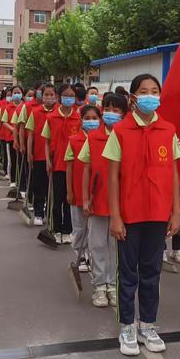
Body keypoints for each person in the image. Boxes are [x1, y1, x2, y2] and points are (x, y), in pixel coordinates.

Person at [105, 74, 180, 356]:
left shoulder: (168, 130)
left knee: (152, 273)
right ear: (133, 98)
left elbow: (173, 174)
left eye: (155, 91)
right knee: (128, 274)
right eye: (144, 91)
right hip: (129, 216)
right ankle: (127, 326)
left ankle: (147, 323)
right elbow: (113, 178)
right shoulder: (121, 131)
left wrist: (175, 213)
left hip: (158, 216)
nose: (151, 96)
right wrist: (115, 216)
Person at [79, 93, 128, 308]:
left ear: (125, 114)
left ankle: (113, 284)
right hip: (98, 199)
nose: (112, 113)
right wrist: (85, 199)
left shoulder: (128, 136)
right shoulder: (93, 137)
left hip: (122, 203)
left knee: (116, 247)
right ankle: (99, 286)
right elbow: (87, 169)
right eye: (108, 109)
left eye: (117, 110)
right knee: (98, 245)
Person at [42, 84, 81, 244]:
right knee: (56, 200)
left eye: (71, 95)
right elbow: (46, 142)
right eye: (66, 95)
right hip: (57, 165)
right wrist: (48, 161)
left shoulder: (78, 118)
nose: (69, 98)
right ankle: (56, 229)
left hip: (73, 166)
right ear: (59, 97)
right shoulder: (51, 118)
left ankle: (67, 230)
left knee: (69, 200)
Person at [65, 105, 101, 274]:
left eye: (95, 118)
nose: (91, 121)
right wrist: (70, 191)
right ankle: (80, 254)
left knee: (93, 229)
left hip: (96, 192)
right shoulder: (74, 140)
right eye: (87, 118)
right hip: (78, 191)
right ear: (81, 120)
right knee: (80, 227)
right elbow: (70, 168)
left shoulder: (105, 140)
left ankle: (90, 255)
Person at [25, 84, 57, 226]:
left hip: (56, 157)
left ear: (56, 96)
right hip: (39, 155)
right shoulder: (35, 112)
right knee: (40, 185)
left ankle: (50, 214)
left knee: (54, 189)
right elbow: (30, 135)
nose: (49, 98)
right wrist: (29, 152)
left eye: (52, 95)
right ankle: (38, 213)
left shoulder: (59, 113)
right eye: (46, 95)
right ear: (41, 96)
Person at [0, 88, 10, 178]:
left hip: (13, 135)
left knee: (10, 155)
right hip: (4, 133)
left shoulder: (21, 104)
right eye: (8, 95)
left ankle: (10, 172)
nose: (10, 97)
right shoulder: (1, 104)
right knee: (6, 153)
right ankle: (6, 170)